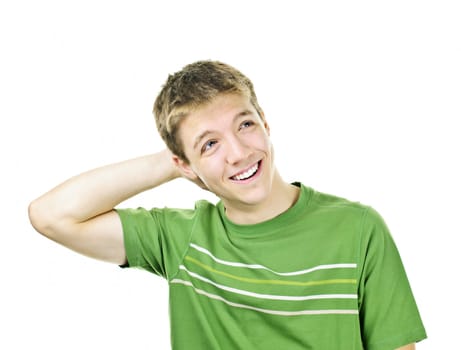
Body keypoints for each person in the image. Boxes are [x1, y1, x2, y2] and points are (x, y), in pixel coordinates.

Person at [28, 60, 427, 349]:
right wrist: (169, 164)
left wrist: (198, 153)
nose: (238, 152)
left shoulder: (357, 228)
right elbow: (51, 216)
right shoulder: (182, 237)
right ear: (184, 164)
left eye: (245, 124)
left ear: (265, 123)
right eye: (210, 144)